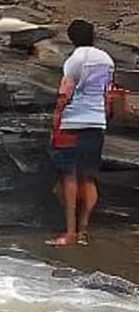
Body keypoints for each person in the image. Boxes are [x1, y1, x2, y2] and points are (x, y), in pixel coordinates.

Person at [45, 19, 114, 247]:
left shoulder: (74, 60)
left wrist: (56, 121)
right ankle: (83, 231)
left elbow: (65, 94)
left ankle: (70, 232)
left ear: (72, 38)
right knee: (88, 176)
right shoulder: (107, 60)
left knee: (69, 177)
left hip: (73, 123)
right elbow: (107, 94)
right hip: (97, 123)